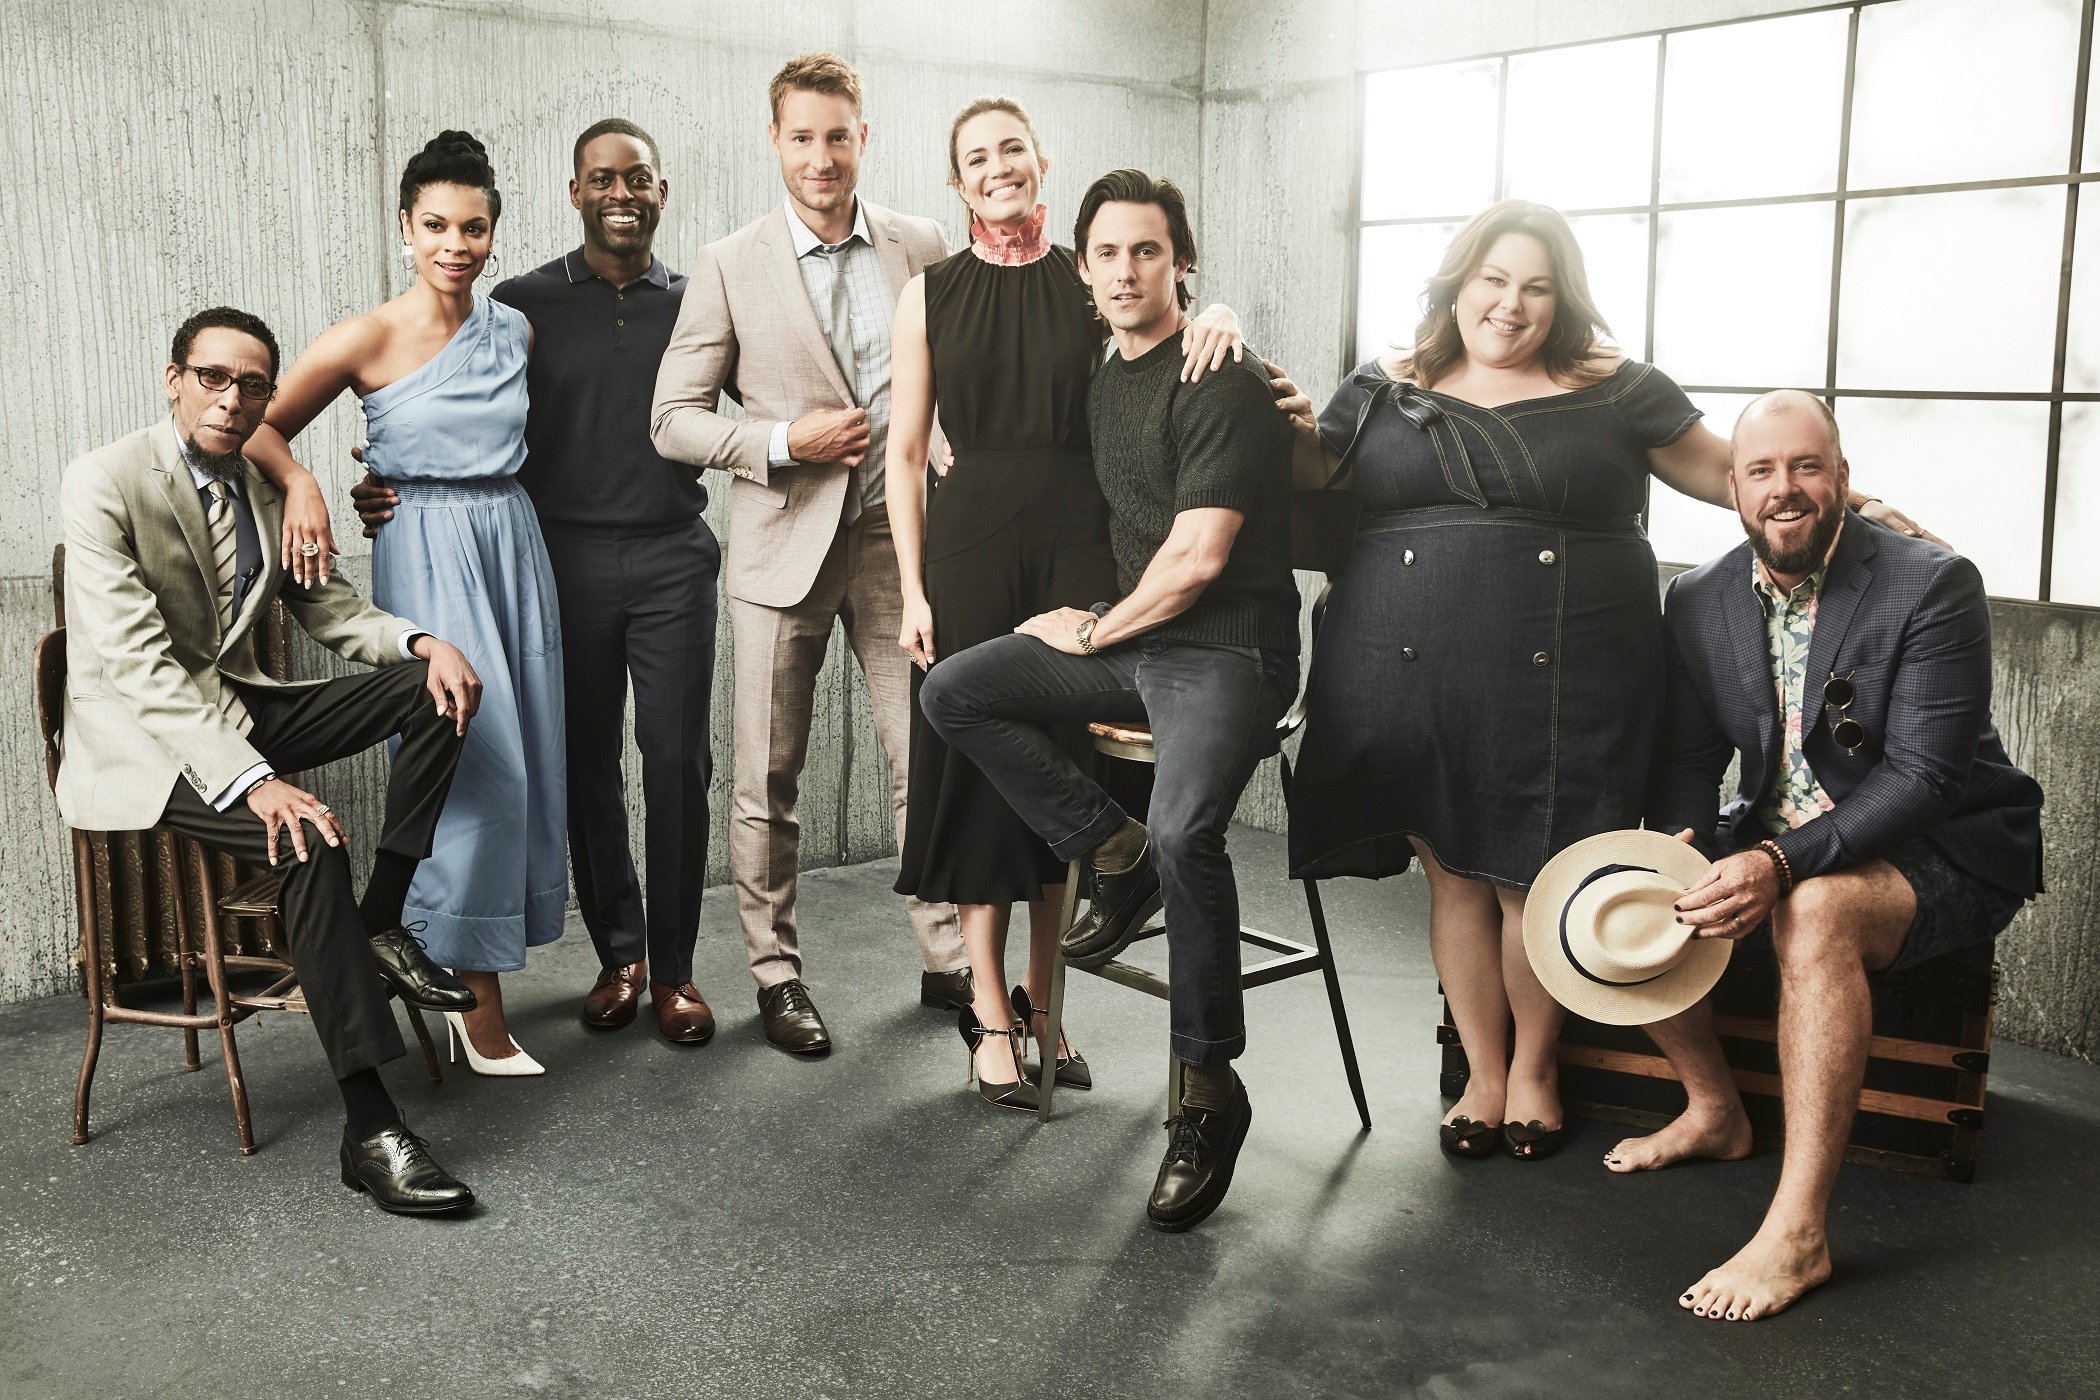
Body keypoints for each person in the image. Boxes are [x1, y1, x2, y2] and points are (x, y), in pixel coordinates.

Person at [1282, 200, 1931, 1161]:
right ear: (1458, 285)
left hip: (1570, 667)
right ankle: (1484, 1074)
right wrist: (1252, 381)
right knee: (1451, 874)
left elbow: (1732, 471)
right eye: (1494, 280)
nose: (1511, 304)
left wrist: (1859, 503)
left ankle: (1536, 1071)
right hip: (1404, 664)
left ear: (1564, 300)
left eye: (1537, 287)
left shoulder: (1614, 385)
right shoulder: (1386, 381)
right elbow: (1309, 472)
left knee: (1534, 874)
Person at [920, 170, 1299, 1230]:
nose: (1127, 271)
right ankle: (1114, 853)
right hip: (1135, 637)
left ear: (1183, 261)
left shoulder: (1219, 375)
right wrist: (1087, 616)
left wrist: (1092, 629)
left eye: (1148, 251)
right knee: (958, 688)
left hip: (1225, 648)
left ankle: (1207, 1093)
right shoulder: (1104, 378)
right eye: (1108, 254)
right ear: (1082, 270)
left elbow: (1198, 559)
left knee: (1188, 831)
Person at [1617, 390, 2042, 1321]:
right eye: (1762, 470)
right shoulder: (1697, 597)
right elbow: (1688, 763)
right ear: (1733, 489)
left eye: (1807, 466)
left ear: (1842, 478)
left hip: (1943, 848)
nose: (1786, 488)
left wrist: (1776, 866)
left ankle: (1799, 1233)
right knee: (1635, 876)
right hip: (1780, 835)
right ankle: (1713, 1108)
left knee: (1814, 909)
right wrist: (1681, 851)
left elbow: (1926, 778)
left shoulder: (1932, 582)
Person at [58, 305, 485, 1214]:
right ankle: (371, 1129)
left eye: (253, 385)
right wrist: (256, 784)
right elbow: (137, 665)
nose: (232, 398)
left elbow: (332, 610)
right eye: (212, 377)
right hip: (142, 742)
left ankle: (379, 922)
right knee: (307, 838)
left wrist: (420, 643)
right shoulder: (103, 480)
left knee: (434, 692)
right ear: (174, 380)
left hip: (237, 707)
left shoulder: (261, 486)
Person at [885, 98, 1250, 1109]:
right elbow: (905, 453)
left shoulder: (1090, 276)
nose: (997, 167)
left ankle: (1047, 1004)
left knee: (1063, 775)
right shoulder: (928, 293)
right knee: (975, 786)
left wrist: (1221, 314)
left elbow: (1159, 327)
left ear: (1041, 162)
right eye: (976, 157)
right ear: (956, 181)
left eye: (1012, 148)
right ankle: (989, 1014)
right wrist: (911, 589)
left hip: (1082, 549)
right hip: (965, 552)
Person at [353, 120, 719, 1046]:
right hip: (560, 561)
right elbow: (451, 415)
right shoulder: (521, 304)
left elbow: (769, 399)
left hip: (673, 556)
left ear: (661, 190)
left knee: (678, 763)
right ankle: (620, 956)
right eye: (601, 177)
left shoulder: (701, 301)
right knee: (585, 764)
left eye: (638, 177)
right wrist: (383, 479)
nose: (620, 192)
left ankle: (676, 971)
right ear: (574, 192)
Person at [650, 53, 969, 1055]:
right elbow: (672, 419)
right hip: (781, 545)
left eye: (838, 136)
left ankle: (951, 959)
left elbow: (960, 373)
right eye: (802, 137)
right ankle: (776, 974)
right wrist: (788, 441)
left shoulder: (923, 243)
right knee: (767, 777)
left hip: (898, 544)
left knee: (927, 759)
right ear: (775, 141)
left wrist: (950, 445)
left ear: (863, 138)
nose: (821, 157)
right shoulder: (728, 263)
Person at [245, 131, 566, 1076]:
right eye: (435, 226)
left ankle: (461, 963)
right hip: (427, 552)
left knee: (527, 762)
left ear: (493, 233)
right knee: (476, 761)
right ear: (404, 228)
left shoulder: (516, 331)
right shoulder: (366, 335)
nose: (454, 245)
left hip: (513, 544)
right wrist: (307, 481)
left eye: (473, 228)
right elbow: (259, 428)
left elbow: (491, 441)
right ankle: (474, 1002)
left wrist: (380, 465)